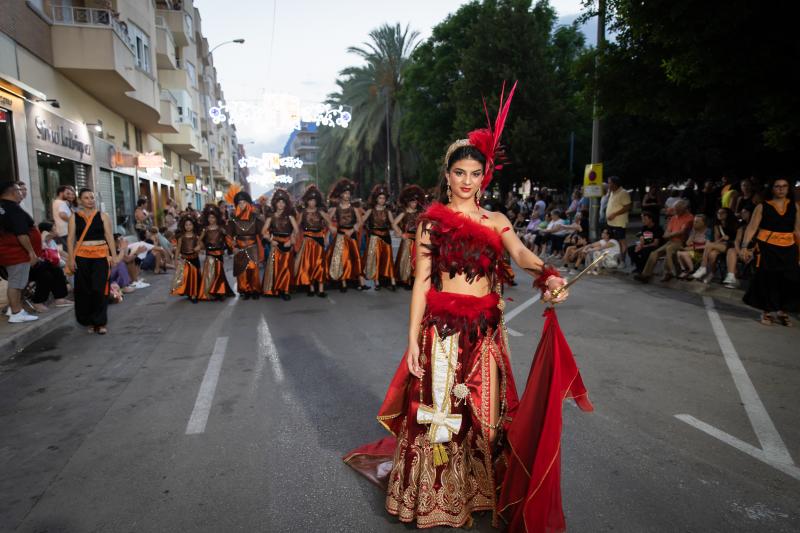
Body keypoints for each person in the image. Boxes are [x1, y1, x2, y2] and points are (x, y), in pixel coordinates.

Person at [344, 93, 571, 528]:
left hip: (484, 332)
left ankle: (478, 489)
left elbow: (521, 254)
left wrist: (549, 275)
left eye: (475, 173)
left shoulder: (496, 220)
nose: (467, 181)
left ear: (485, 177)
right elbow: (422, 282)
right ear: (447, 176)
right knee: (440, 417)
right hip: (442, 332)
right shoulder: (431, 222)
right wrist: (412, 340)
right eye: (460, 172)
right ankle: (436, 496)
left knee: (486, 417)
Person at [740, 178, 799, 326]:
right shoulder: (762, 206)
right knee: (767, 279)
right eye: (777, 186)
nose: (781, 189)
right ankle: (766, 311)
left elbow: (797, 230)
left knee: (789, 280)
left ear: (788, 189)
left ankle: (782, 311)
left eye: (784, 186)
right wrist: (744, 247)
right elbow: (752, 228)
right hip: (767, 247)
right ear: (772, 189)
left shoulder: (795, 206)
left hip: (789, 247)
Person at [67, 188, 118, 334]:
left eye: (92, 197)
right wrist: (71, 259)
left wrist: (114, 256)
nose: (90, 200)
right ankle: (88, 321)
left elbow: (109, 236)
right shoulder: (74, 217)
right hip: (81, 257)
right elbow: (70, 239)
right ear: (80, 200)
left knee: (99, 289)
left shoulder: (103, 216)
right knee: (84, 291)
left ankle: (100, 323)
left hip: (100, 257)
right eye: (86, 198)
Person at [0, 181, 40, 323]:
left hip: (9, 251)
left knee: (15, 282)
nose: (21, 192)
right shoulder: (12, 208)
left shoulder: (3, 207)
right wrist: (31, 252)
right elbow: (21, 234)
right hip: (16, 252)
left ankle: (13, 309)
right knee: (16, 284)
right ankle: (16, 313)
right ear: (12, 192)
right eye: (19, 190)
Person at [636, 199, 694, 282]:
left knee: (669, 249)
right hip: (671, 241)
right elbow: (667, 231)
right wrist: (671, 234)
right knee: (654, 253)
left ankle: (669, 272)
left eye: (677, 210)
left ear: (684, 209)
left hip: (680, 242)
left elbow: (682, 232)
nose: (676, 212)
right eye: (675, 210)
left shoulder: (689, 217)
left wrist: (670, 234)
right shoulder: (674, 218)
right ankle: (646, 274)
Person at [326, 178, 368, 292]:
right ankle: (343, 282)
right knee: (342, 258)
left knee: (356, 258)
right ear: (341, 194)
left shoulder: (354, 208)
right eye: (345, 193)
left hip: (351, 235)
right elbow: (327, 219)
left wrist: (353, 229)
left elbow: (360, 222)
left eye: (349, 193)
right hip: (340, 236)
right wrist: (331, 227)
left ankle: (361, 283)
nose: (347, 195)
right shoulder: (335, 208)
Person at [225, 187, 264, 299]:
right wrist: (233, 247)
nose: (242, 205)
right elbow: (228, 236)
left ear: (248, 203)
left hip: (253, 247)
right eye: (239, 203)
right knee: (242, 271)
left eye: (244, 202)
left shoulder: (255, 218)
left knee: (253, 269)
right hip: (239, 248)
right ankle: (245, 290)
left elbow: (262, 233)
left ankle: (255, 290)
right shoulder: (233, 220)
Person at [262, 188, 298, 301]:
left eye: (283, 202)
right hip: (275, 245)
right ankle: (276, 289)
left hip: (287, 244)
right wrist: (271, 240)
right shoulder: (271, 217)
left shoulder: (290, 216)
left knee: (286, 268)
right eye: (279, 202)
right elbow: (263, 232)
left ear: (286, 203)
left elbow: (296, 230)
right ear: (275, 203)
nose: (281, 204)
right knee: (276, 267)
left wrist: (291, 240)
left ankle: (286, 290)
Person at [294, 185, 330, 297]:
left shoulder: (321, 212)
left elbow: (330, 224)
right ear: (307, 200)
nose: (312, 202)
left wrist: (327, 236)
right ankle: (311, 288)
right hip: (307, 241)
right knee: (308, 264)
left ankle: (321, 289)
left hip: (319, 240)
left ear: (317, 201)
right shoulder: (303, 213)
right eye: (310, 200)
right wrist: (293, 237)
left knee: (320, 264)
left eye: (314, 200)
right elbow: (296, 227)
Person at [362, 183, 398, 291]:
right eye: (380, 198)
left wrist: (400, 232)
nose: (382, 200)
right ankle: (376, 281)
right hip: (374, 237)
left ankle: (392, 281)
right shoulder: (371, 210)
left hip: (386, 236)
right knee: (376, 259)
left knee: (388, 259)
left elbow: (393, 223)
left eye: (383, 198)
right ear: (376, 199)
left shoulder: (388, 211)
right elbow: (361, 221)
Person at [30, 222, 72, 313]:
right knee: (47, 275)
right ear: (48, 232)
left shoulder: (51, 241)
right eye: (54, 229)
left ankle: (59, 299)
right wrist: (43, 237)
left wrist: (71, 258)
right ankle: (37, 302)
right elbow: (41, 250)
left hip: (45, 265)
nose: (57, 231)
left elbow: (58, 252)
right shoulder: (39, 240)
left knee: (57, 270)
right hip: (34, 267)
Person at [691, 208, 738, 284]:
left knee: (709, 244)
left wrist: (727, 239)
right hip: (721, 245)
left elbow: (737, 240)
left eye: (722, 213)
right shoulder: (717, 225)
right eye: (718, 213)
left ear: (727, 214)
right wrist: (722, 238)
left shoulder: (734, 224)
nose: (719, 214)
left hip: (731, 245)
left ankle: (703, 267)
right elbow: (716, 241)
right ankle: (712, 273)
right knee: (712, 254)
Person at [198, 204, 234, 301]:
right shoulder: (205, 229)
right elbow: (200, 240)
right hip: (209, 253)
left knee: (219, 273)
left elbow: (228, 239)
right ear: (207, 218)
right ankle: (210, 291)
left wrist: (232, 247)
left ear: (216, 218)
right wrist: (201, 247)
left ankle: (220, 292)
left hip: (219, 253)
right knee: (210, 273)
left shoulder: (220, 229)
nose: (211, 219)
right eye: (209, 217)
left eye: (213, 217)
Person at [392, 184, 425, 289]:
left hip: (417, 239)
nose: (414, 204)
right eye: (412, 202)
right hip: (407, 240)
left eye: (415, 202)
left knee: (416, 259)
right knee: (406, 259)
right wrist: (401, 233)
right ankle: (405, 279)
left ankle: (414, 279)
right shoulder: (404, 213)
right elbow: (394, 223)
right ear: (407, 202)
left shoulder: (420, 213)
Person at [170, 215, 201, 303]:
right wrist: (176, 260)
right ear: (183, 226)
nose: (188, 226)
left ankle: (194, 294)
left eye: (190, 224)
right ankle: (190, 293)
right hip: (185, 260)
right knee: (187, 277)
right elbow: (178, 249)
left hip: (195, 259)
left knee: (195, 277)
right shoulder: (181, 237)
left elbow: (200, 246)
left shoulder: (196, 237)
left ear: (193, 226)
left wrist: (199, 247)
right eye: (186, 225)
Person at [605, 175, 632, 256]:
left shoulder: (623, 192)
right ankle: (616, 258)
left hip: (619, 223)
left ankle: (622, 259)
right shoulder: (612, 192)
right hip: (611, 223)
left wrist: (614, 214)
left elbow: (627, 207)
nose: (608, 185)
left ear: (615, 184)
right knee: (614, 242)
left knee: (621, 242)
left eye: (609, 183)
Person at [676, 215, 708, 279]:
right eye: (694, 222)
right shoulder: (694, 231)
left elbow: (707, 246)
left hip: (703, 255)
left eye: (697, 222)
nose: (694, 223)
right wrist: (693, 233)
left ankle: (691, 270)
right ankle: (684, 270)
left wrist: (693, 247)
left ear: (703, 223)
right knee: (678, 253)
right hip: (693, 252)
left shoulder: (708, 231)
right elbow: (688, 243)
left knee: (684, 254)